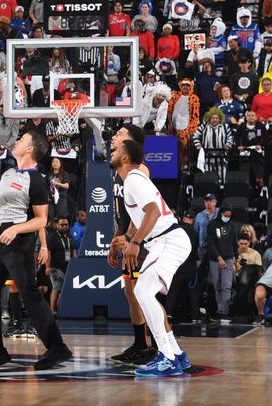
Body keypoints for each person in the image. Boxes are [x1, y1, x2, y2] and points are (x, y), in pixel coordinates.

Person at [0, 130, 72, 370]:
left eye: (21, 139)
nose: (16, 141)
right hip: (0, 239)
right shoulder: (7, 173)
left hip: (19, 243)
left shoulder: (37, 180)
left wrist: (17, 229)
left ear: (30, 149)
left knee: (29, 294)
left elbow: (41, 220)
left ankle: (57, 348)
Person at [112, 139, 192, 377]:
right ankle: (176, 354)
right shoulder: (132, 181)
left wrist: (135, 243)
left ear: (125, 158)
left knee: (142, 292)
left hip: (168, 240)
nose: (111, 152)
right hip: (165, 241)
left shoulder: (134, 178)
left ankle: (167, 357)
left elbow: (153, 211)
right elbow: (143, 216)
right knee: (143, 292)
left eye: (116, 150)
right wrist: (128, 238)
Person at [107, 124, 158, 365]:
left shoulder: (140, 170)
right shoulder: (120, 170)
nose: (115, 136)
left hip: (143, 242)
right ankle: (140, 345)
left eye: (121, 134)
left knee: (144, 292)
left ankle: (157, 346)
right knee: (131, 292)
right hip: (128, 239)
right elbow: (125, 212)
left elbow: (147, 211)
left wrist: (130, 240)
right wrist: (115, 239)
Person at [207, 204, 238, 323]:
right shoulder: (212, 225)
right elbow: (210, 243)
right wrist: (219, 258)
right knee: (217, 286)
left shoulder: (232, 225)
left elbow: (234, 242)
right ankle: (220, 311)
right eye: (225, 215)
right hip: (214, 259)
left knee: (226, 286)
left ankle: (225, 312)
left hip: (229, 258)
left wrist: (236, 257)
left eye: (229, 216)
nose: (227, 217)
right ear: (221, 214)